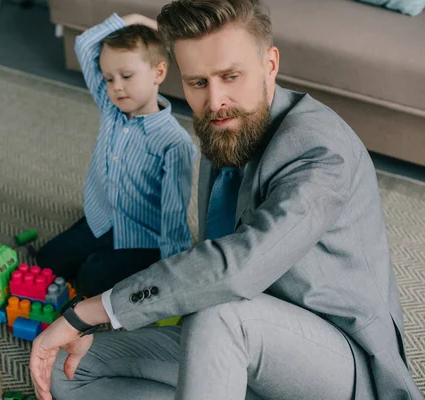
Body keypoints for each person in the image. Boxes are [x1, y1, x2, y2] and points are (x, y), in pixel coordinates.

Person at [29, 0, 424, 399]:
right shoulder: (226, 128)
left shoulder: (320, 151)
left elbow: (236, 270)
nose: (215, 99)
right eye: (198, 82)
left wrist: (88, 312)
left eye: (231, 76)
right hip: (233, 337)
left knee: (220, 313)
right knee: (68, 371)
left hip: (333, 366)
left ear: (270, 64)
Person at [35, 13, 197, 297]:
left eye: (126, 76)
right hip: (101, 218)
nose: (116, 86)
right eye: (109, 78)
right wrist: (134, 19)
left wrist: (173, 270)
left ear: (159, 73)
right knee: (47, 262)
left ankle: (128, 265)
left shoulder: (175, 143)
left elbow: (174, 214)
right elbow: (85, 44)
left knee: (90, 282)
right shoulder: (112, 108)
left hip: (142, 237)